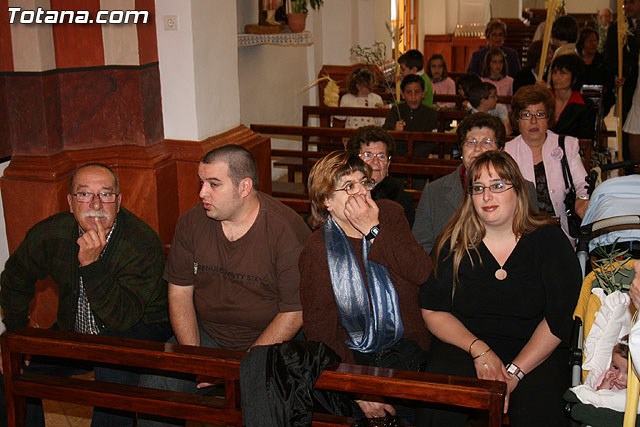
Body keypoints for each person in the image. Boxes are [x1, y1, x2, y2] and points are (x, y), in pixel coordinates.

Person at [138, 145, 311, 427]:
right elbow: (179, 293)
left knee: (268, 406)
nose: (202, 193)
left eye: (214, 184)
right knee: (157, 386)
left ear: (244, 187)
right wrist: (196, 359)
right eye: (201, 182)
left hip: (271, 344)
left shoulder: (285, 230)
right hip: (209, 337)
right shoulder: (192, 222)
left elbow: (293, 313)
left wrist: (241, 369)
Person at [0, 163, 171, 427]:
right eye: (84, 194)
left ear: (118, 201)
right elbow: (14, 277)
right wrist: (17, 332)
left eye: (105, 194)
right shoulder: (52, 234)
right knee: (11, 369)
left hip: (140, 329)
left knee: (111, 357)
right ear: (70, 202)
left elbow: (122, 318)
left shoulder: (142, 243)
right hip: (77, 331)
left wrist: (92, 266)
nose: (96, 203)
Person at [420, 151, 581, 426]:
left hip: (535, 351)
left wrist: (515, 373)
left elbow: (559, 318)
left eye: (497, 185)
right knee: (439, 403)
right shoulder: (454, 242)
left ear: (517, 190)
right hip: (466, 345)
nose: (486, 196)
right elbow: (434, 310)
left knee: (539, 410)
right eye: (478, 188)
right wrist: (479, 350)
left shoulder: (549, 240)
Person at [300, 151, 432, 421]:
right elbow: (321, 330)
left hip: (406, 345)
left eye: (364, 182)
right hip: (352, 356)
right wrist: (358, 389)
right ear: (327, 201)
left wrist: (373, 230)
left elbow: (421, 272)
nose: (362, 192)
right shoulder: (317, 250)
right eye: (349, 187)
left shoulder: (391, 216)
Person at [412, 113, 536, 254]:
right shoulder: (434, 192)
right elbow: (421, 248)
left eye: (486, 142)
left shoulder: (524, 188)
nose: (477, 148)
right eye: (471, 142)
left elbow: (531, 243)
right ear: (461, 149)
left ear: (500, 149)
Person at [505, 85, 589, 241]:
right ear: (517, 119)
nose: (533, 121)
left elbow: (583, 184)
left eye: (540, 114)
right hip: (519, 232)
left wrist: (582, 200)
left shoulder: (566, 145)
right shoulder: (506, 152)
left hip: (561, 231)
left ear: (548, 117)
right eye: (526, 115)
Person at [346, 126, 415, 226]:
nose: (375, 161)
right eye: (368, 155)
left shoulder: (402, 200)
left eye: (381, 156)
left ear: (388, 163)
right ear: (354, 161)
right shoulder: (344, 194)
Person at [606, 0, 640, 169]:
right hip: (628, 89)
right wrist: (617, 75)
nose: (628, 7)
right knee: (629, 130)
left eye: (631, 2)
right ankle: (630, 169)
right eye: (625, 3)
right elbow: (610, 56)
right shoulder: (617, 28)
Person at [383, 74, 439, 156]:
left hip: (420, 159)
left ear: (423, 94)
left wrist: (412, 156)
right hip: (397, 157)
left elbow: (431, 141)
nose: (413, 96)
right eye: (409, 92)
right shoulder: (396, 110)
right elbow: (385, 132)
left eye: (417, 92)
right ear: (403, 94)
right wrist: (394, 129)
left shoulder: (430, 113)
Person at [549, 53, 596, 139]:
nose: (556, 77)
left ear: (575, 78)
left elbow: (586, 140)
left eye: (562, 73)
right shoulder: (543, 99)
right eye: (554, 72)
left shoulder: (585, 106)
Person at [577, 27, 615, 115]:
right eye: (590, 41)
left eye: (595, 41)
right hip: (580, 99)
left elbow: (609, 81)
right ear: (582, 43)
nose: (593, 44)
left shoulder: (602, 61)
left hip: (600, 100)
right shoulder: (576, 61)